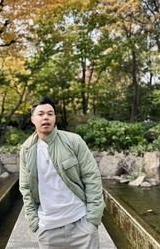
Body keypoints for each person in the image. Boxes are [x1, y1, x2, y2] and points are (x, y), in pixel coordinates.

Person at [19, 96, 105, 249]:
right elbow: (25, 187)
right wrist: (34, 223)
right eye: (40, 114)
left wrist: (93, 219)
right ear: (32, 119)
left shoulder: (73, 141)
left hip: (81, 223)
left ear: (55, 118)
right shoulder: (27, 150)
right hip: (48, 229)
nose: (46, 117)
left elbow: (92, 177)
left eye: (50, 113)